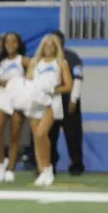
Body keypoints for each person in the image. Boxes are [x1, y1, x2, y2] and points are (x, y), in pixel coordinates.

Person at [25, 34, 73, 186]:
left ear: (56, 47)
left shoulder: (61, 63)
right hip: (34, 101)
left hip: (52, 101)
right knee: (36, 137)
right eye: (46, 44)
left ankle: (49, 168)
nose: (49, 47)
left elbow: (68, 85)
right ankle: (43, 170)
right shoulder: (35, 62)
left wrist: (53, 89)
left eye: (52, 45)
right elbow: (27, 80)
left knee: (42, 133)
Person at [0, 32, 29, 182]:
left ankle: (11, 168)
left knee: (15, 134)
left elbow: (31, 78)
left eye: (13, 42)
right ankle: (0, 162)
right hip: (2, 96)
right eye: (7, 42)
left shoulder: (23, 61)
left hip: (18, 96)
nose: (10, 45)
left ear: (18, 44)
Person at [49, 30, 84, 175]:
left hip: (68, 100)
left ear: (63, 41)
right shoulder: (45, 59)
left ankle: (76, 165)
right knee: (50, 135)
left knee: (73, 135)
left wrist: (74, 99)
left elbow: (78, 77)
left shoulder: (72, 57)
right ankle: (49, 165)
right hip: (50, 102)